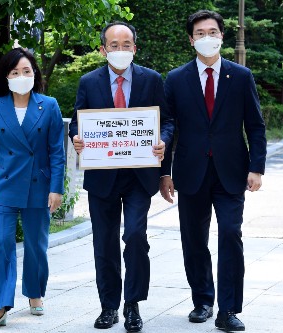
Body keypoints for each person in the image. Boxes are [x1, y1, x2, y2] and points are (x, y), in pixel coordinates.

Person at [160, 10, 267, 332]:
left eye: (213, 32)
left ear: (222, 36)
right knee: (194, 239)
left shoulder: (241, 76)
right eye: (200, 33)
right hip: (191, 171)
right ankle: (203, 300)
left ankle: (229, 309)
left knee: (231, 234)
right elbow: (168, 127)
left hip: (231, 171)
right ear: (191, 39)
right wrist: (164, 173)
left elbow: (256, 126)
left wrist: (257, 168)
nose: (207, 38)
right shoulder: (176, 79)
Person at [69, 21, 174, 333]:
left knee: (135, 237)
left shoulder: (152, 80)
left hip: (140, 175)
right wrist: (77, 138)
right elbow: (77, 121)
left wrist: (163, 141)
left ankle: (133, 304)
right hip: (102, 176)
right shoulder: (89, 82)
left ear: (135, 49)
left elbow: (167, 120)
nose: (120, 50)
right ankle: (108, 306)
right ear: (103, 50)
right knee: (104, 243)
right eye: (113, 45)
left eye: (126, 44)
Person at [0, 47, 65, 328]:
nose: (22, 76)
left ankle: (35, 293)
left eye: (27, 71)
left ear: (34, 74)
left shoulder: (48, 105)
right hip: (3, 185)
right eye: (15, 72)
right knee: (2, 245)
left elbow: (56, 152)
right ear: (6, 76)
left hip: (39, 186)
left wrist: (56, 188)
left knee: (37, 245)